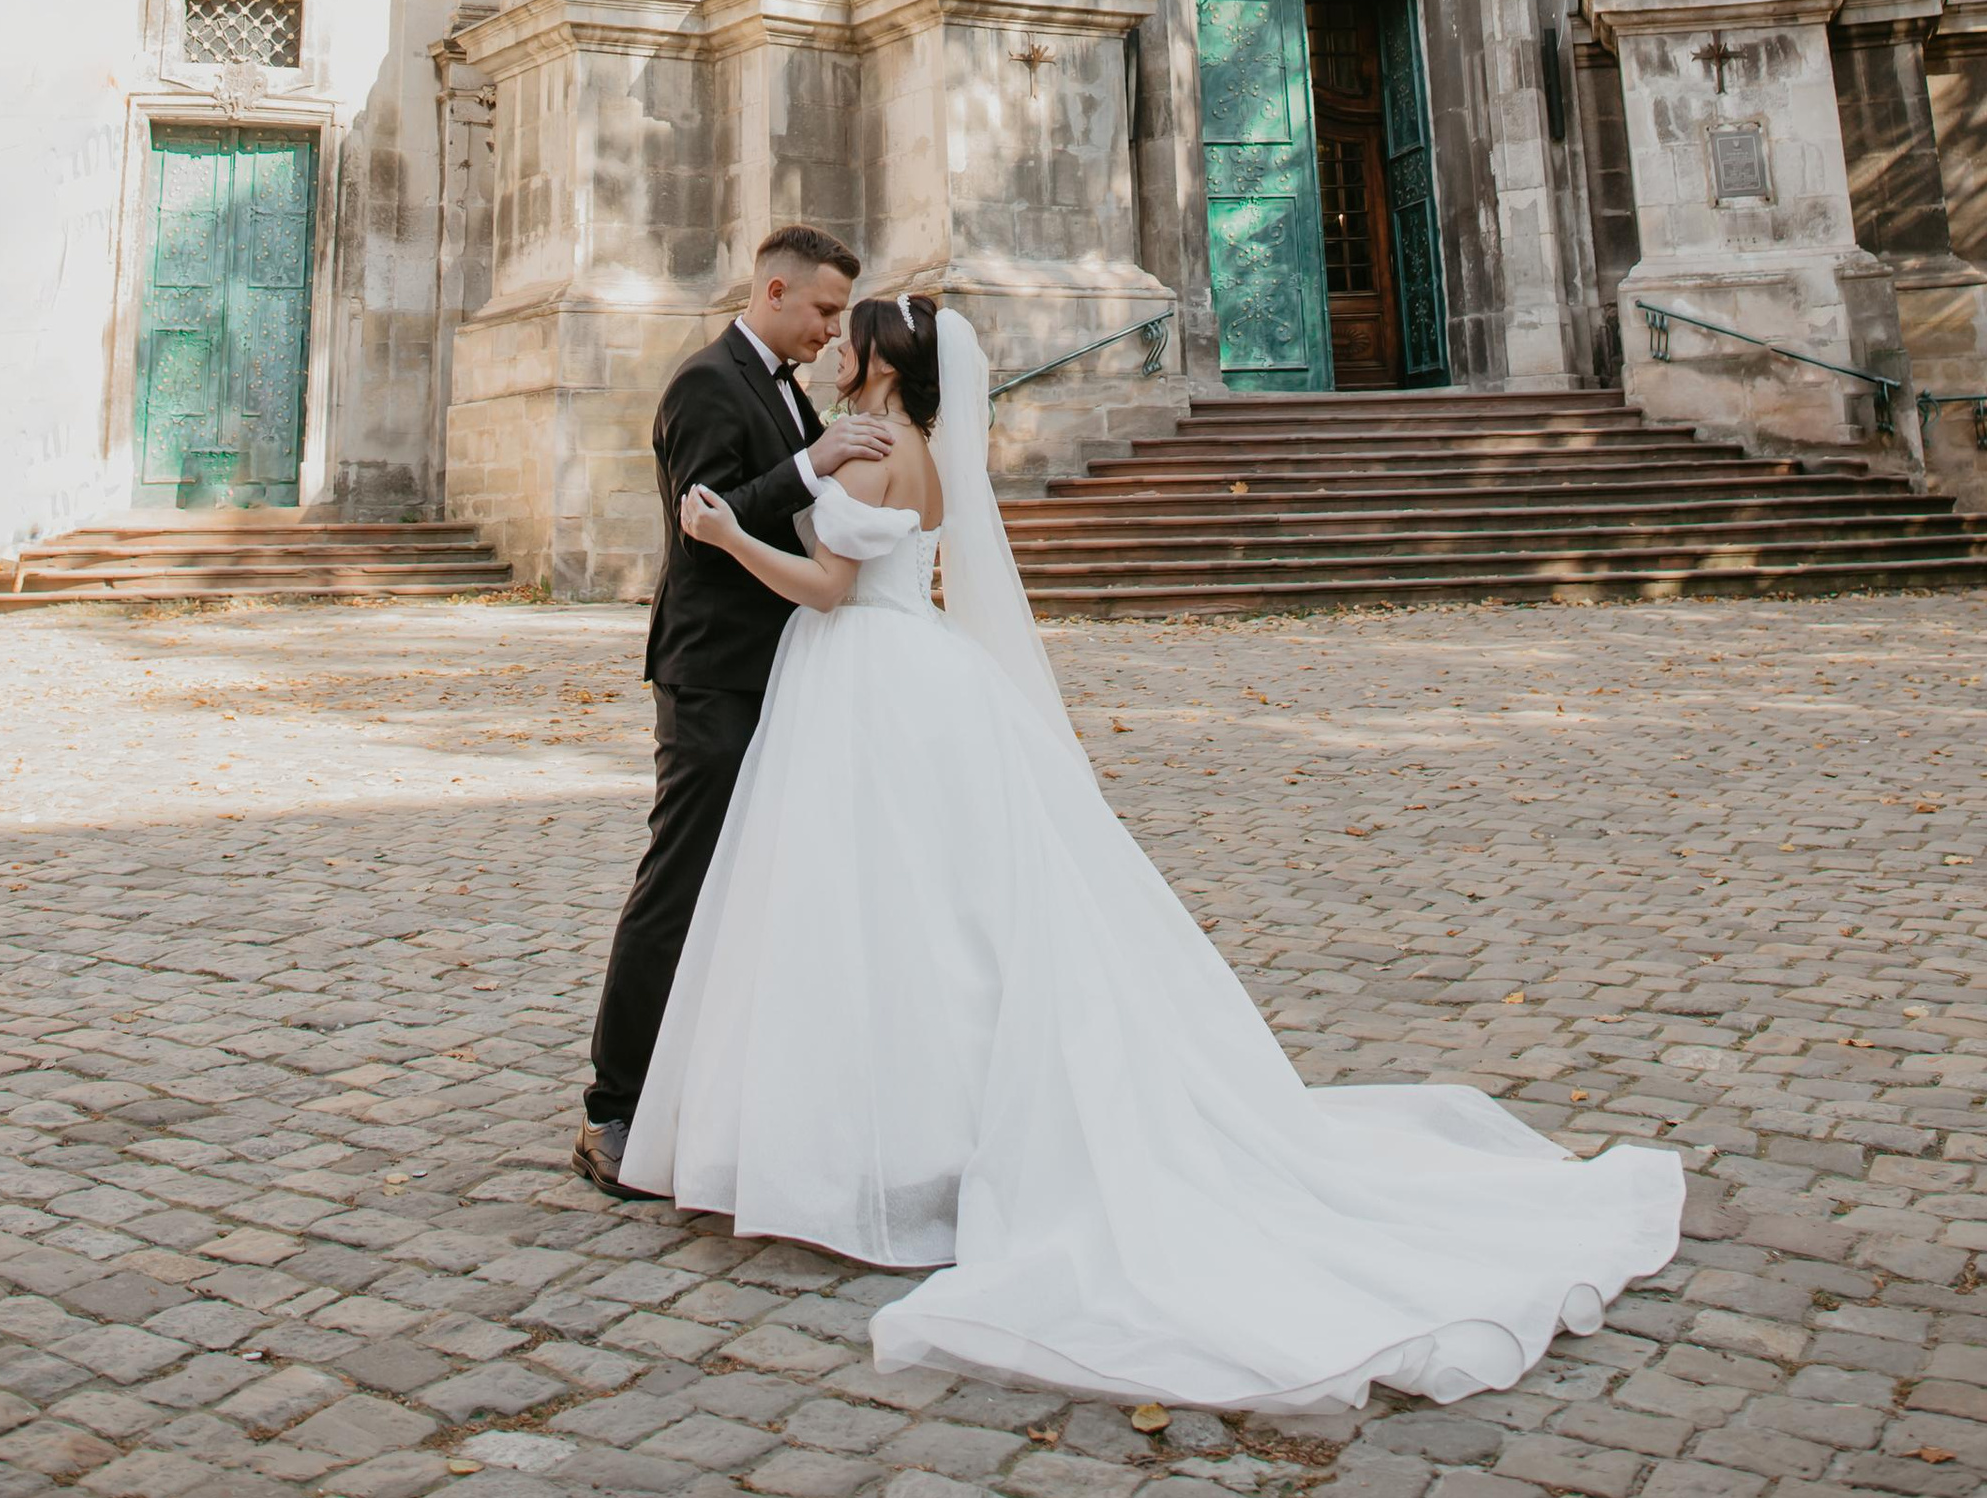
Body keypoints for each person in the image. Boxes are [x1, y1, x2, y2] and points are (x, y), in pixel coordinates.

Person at [620, 290, 1684, 1417]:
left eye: (853, 327)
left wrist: (730, 535)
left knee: (881, 912)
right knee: (933, 914)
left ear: (884, 356)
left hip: (868, 679)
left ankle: (878, 1150)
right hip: (914, 680)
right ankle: (921, 1136)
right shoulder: (917, 449)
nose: (836, 340)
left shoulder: (879, 452)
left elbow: (830, 588)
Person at [573, 222, 890, 1198]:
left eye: (842, 314)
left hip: (776, 669)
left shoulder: (784, 388)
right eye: (824, 309)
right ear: (775, 290)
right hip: (713, 672)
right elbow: (703, 519)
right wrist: (815, 462)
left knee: (745, 890)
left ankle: (705, 1093)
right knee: (680, 883)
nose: (831, 329)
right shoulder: (706, 383)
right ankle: (612, 1108)